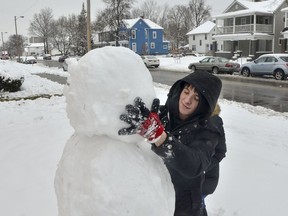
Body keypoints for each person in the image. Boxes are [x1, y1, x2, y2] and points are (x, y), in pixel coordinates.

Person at [118, 71, 222, 216]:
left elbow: (195, 164)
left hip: (184, 205)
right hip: (155, 193)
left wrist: (159, 136)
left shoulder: (207, 131)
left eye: (196, 98)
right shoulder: (162, 114)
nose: (187, 100)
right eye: (186, 92)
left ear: (204, 105)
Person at [200, 103, 227, 216]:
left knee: (196, 205)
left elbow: (220, 152)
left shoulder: (214, 123)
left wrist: (202, 167)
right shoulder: (195, 120)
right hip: (195, 178)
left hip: (206, 179)